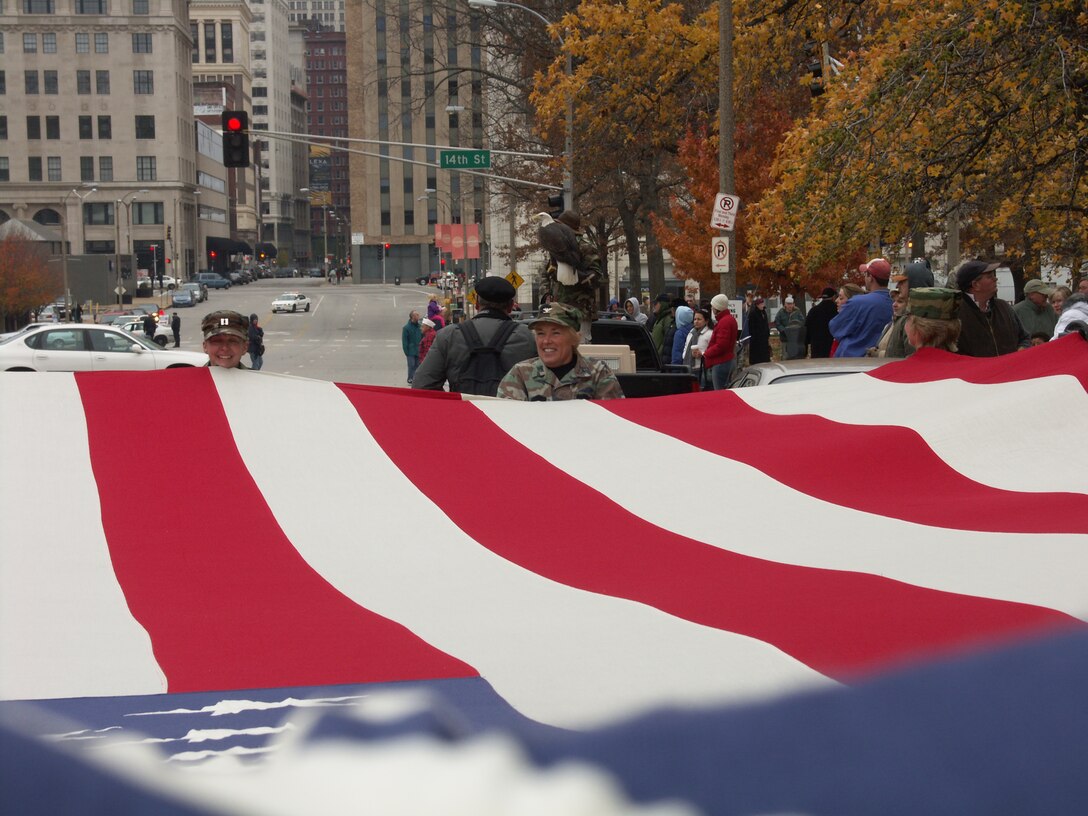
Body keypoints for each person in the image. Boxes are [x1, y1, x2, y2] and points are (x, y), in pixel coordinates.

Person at [413, 276, 536, 394]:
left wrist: (454, 405)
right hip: (511, 413)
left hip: (465, 413)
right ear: (510, 306)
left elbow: (422, 384)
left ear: (477, 304)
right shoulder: (528, 337)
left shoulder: (448, 336)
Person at [497, 303, 623, 401]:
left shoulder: (598, 373)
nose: (546, 341)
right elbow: (507, 424)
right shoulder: (520, 375)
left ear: (574, 338)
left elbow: (613, 421)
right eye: (540, 333)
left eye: (555, 333)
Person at [539, 210, 603, 340]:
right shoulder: (556, 243)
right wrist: (546, 294)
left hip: (579, 312)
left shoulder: (585, 247)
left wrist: (573, 275)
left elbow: (596, 277)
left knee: (580, 348)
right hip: (557, 310)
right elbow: (546, 274)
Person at [954, 260, 1029, 356]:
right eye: (990, 276)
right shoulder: (954, 313)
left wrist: (1021, 351)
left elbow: (1024, 338)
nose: (996, 279)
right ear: (975, 285)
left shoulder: (1004, 307)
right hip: (975, 370)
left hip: (1010, 369)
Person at [830, 258, 894, 357]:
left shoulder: (857, 303)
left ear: (870, 277)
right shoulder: (895, 303)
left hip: (851, 362)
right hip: (881, 361)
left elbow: (835, 327)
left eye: (865, 274)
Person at [903, 287, 961, 352]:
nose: (905, 324)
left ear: (918, 330)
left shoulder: (904, 362)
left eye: (908, 318)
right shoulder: (973, 361)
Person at [702, 294, 740, 389]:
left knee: (720, 392)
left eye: (713, 306)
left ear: (717, 307)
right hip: (726, 360)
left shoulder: (724, 322)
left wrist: (706, 353)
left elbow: (721, 345)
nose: (711, 308)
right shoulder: (728, 319)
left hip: (721, 362)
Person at [804, 287, 838, 358]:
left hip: (817, 347)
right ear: (833, 297)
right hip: (833, 347)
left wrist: (806, 347)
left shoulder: (813, 311)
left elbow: (806, 329)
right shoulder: (837, 310)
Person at [682, 308, 713, 383]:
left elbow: (712, 350)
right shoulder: (691, 332)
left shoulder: (710, 333)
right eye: (695, 319)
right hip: (688, 368)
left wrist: (702, 354)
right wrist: (684, 356)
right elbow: (686, 347)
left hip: (702, 368)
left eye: (699, 319)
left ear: (706, 321)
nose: (696, 321)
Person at [774, 295, 806, 360]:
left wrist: (798, 329)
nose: (790, 306)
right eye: (788, 304)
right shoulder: (780, 312)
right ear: (785, 304)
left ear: (794, 304)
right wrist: (784, 330)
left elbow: (802, 322)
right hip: (785, 338)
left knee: (796, 356)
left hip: (796, 338)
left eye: (791, 304)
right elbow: (777, 323)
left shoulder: (797, 312)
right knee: (786, 356)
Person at [650, 294, 675, 361]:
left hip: (661, 359)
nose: (654, 306)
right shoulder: (659, 318)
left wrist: (658, 354)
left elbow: (667, 341)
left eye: (656, 303)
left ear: (662, 304)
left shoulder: (668, 319)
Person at [747, 296, 772, 364]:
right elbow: (751, 327)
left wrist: (767, 334)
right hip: (756, 339)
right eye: (760, 304)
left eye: (762, 304)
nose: (762, 305)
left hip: (764, 338)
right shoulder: (753, 313)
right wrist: (754, 336)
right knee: (757, 356)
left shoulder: (764, 312)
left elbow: (766, 324)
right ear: (757, 305)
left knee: (765, 356)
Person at [401, 309, 422, 384]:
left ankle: (416, 379)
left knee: (418, 365)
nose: (418, 316)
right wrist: (406, 351)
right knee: (411, 365)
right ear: (412, 317)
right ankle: (410, 378)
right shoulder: (406, 328)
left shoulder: (420, 326)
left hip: (418, 349)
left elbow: (422, 337)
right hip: (411, 350)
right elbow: (404, 341)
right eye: (417, 315)